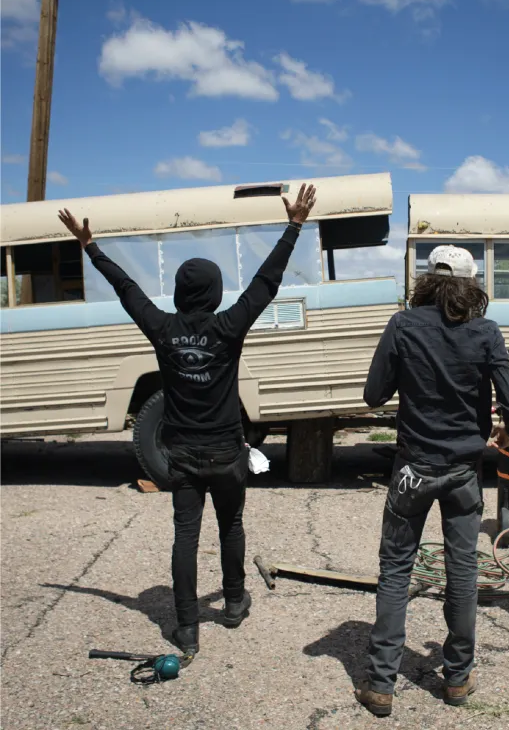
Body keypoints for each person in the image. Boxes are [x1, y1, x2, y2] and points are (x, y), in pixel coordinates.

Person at [58, 184, 316, 656]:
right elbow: (266, 282)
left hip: (181, 455)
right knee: (231, 527)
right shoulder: (228, 326)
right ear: (216, 293)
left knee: (186, 535)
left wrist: (90, 247)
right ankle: (235, 605)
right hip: (226, 452)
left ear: (179, 292)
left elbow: (126, 289)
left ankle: (187, 627)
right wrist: (294, 225)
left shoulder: (162, 329)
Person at [354, 245, 509, 717]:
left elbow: (373, 395)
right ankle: (456, 679)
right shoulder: (486, 332)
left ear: (427, 280)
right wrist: (505, 429)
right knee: (463, 571)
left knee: (395, 570)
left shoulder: (404, 325)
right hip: (462, 471)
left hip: (413, 469)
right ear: (472, 284)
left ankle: (382, 684)